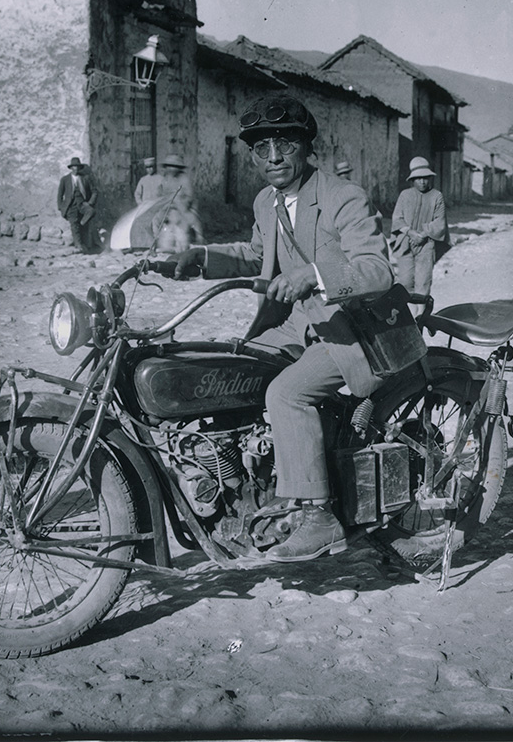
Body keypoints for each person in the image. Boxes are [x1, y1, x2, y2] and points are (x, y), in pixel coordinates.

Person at [163, 95, 394, 562]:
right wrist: (201, 259)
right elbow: (257, 255)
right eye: (260, 148)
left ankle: (319, 515)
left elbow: (377, 270)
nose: (272, 158)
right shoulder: (266, 203)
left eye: (284, 145)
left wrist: (314, 275)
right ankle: (243, 484)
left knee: (286, 394)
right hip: (293, 324)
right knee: (224, 370)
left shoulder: (341, 196)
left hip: (350, 327)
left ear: (307, 147)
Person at [390, 156, 450, 308]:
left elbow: (440, 221)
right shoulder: (405, 195)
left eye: (425, 178)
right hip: (405, 243)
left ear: (430, 178)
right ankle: (409, 315)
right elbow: (397, 218)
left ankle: (420, 318)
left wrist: (422, 234)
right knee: (405, 282)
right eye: (418, 178)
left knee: (423, 282)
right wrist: (411, 233)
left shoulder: (437, 196)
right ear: (412, 180)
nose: (422, 182)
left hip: (426, 244)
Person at [159, 154, 204, 245]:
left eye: (174, 166)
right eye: (169, 166)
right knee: (161, 224)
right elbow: (162, 194)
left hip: (184, 207)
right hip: (170, 208)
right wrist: (167, 201)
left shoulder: (184, 179)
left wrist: (180, 201)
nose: (171, 169)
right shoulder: (165, 180)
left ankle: (198, 237)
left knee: (189, 223)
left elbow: (189, 196)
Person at [56, 156, 98, 253]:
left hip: (82, 203)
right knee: (74, 225)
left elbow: (94, 191)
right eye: (74, 167)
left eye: (77, 167)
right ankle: (79, 246)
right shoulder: (65, 179)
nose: (76, 169)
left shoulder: (85, 178)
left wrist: (90, 203)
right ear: (71, 168)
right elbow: (60, 194)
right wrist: (61, 207)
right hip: (70, 206)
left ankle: (82, 222)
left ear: (79, 168)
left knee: (91, 211)